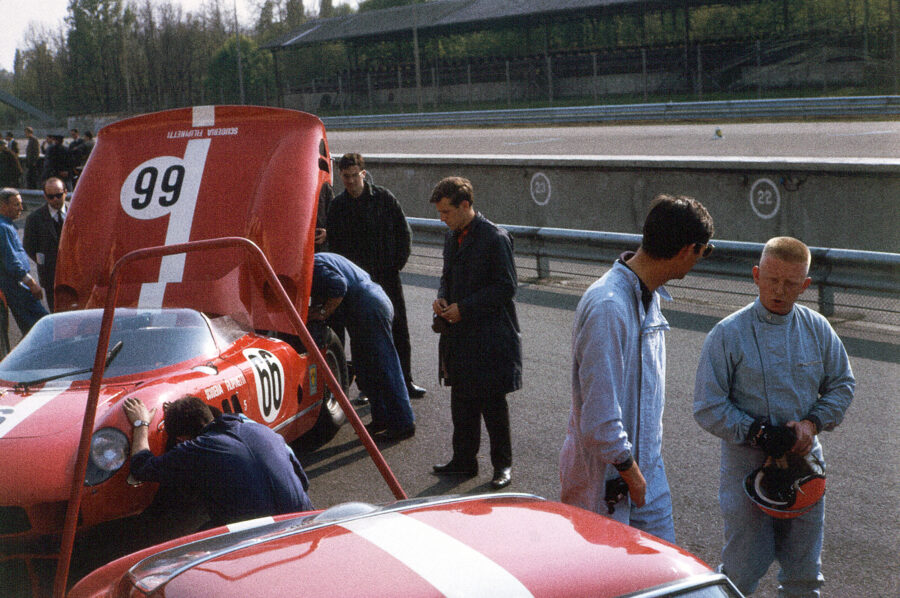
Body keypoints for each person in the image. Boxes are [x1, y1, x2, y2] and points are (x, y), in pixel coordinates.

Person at [693, 237, 854, 597]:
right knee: (741, 571)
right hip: (746, 468)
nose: (779, 290)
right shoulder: (727, 334)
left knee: (803, 576)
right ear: (755, 275)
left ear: (806, 286)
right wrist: (757, 432)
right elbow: (707, 405)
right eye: (771, 279)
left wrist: (811, 424)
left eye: (790, 283)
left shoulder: (818, 329)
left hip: (804, 466)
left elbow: (843, 384)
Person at [559, 194, 714, 543]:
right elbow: (599, 417)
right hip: (608, 478)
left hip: (645, 471)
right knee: (606, 581)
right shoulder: (608, 307)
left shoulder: (650, 295)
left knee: (666, 576)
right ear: (689, 250)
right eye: (705, 250)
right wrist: (632, 474)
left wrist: (643, 474)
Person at [429, 176, 521, 490]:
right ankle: (463, 460)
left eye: (446, 212)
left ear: (465, 206)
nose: (442, 219)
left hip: (491, 337)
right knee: (462, 401)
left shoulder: (495, 238)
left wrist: (464, 308)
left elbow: (506, 287)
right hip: (459, 336)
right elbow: (446, 276)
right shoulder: (451, 236)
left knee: (493, 405)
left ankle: (502, 466)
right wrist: (441, 297)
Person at [122, 395, 313, 528]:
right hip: (307, 520)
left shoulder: (196, 449)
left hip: (264, 537)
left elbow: (141, 467)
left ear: (181, 439)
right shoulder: (260, 429)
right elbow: (303, 481)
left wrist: (141, 424)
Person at [326, 153, 426, 399]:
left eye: (353, 176)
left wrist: (395, 266)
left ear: (363, 173)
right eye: (345, 176)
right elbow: (335, 246)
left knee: (398, 329)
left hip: (387, 277)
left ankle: (406, 380)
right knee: (361, 335)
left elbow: (404, 234)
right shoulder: (338, 207)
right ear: (340, 176)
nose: (350, 181)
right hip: (356, 283)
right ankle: (367, 388)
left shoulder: (384, 198)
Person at [311, 252, 416, 440]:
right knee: (365, 367)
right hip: (366, 303)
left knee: (385, 365)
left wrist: (322, 312)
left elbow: (338, 287)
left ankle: (404, 423)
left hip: (369, 305)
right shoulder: (318, 260)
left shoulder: (314, 266)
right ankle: (381, 418)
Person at [0, 188, 49, 334]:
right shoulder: (3, 228)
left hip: (18, 284)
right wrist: (31, 283)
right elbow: (12, 261)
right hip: (16, 285)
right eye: (16, 205)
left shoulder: (7, 225)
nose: (21, 208)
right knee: (40, 325)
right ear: (3, 205)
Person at [23, 177, 67, 311]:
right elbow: (29, 246)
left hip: (76, 275)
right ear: (45, 196)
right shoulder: (35, 219)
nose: (55, 200)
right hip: (50, 277)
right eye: (50, 196)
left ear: (65, 192)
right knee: (56, 312)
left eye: (58, 195)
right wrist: (44, 261)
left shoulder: (78, 212)